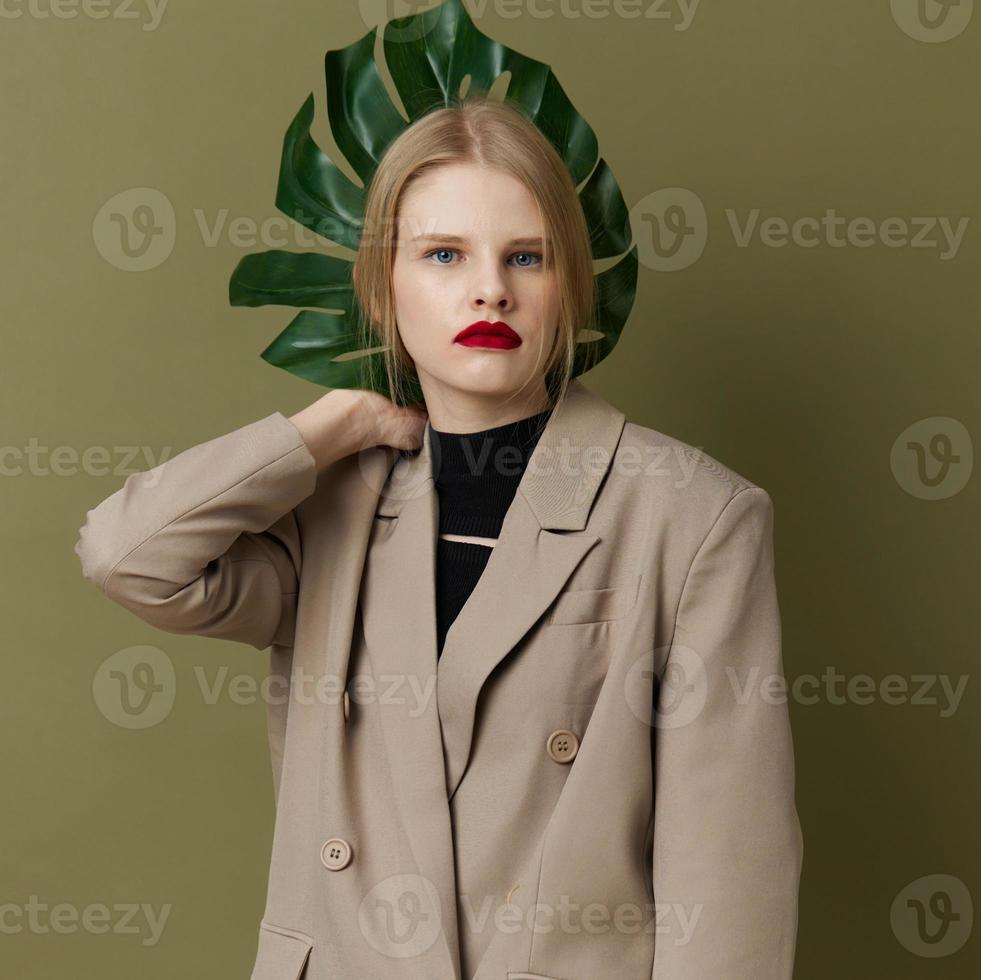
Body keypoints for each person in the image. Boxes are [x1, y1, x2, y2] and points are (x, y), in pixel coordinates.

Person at [75, 96, 802, 980]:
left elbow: (729, 876)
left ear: (567, 285)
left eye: (524, 256)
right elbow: (129, 557)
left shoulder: (692, 515)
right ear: (385, 287)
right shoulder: (330, 510)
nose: (489, 287)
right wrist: (325, 431)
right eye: (443, 254)